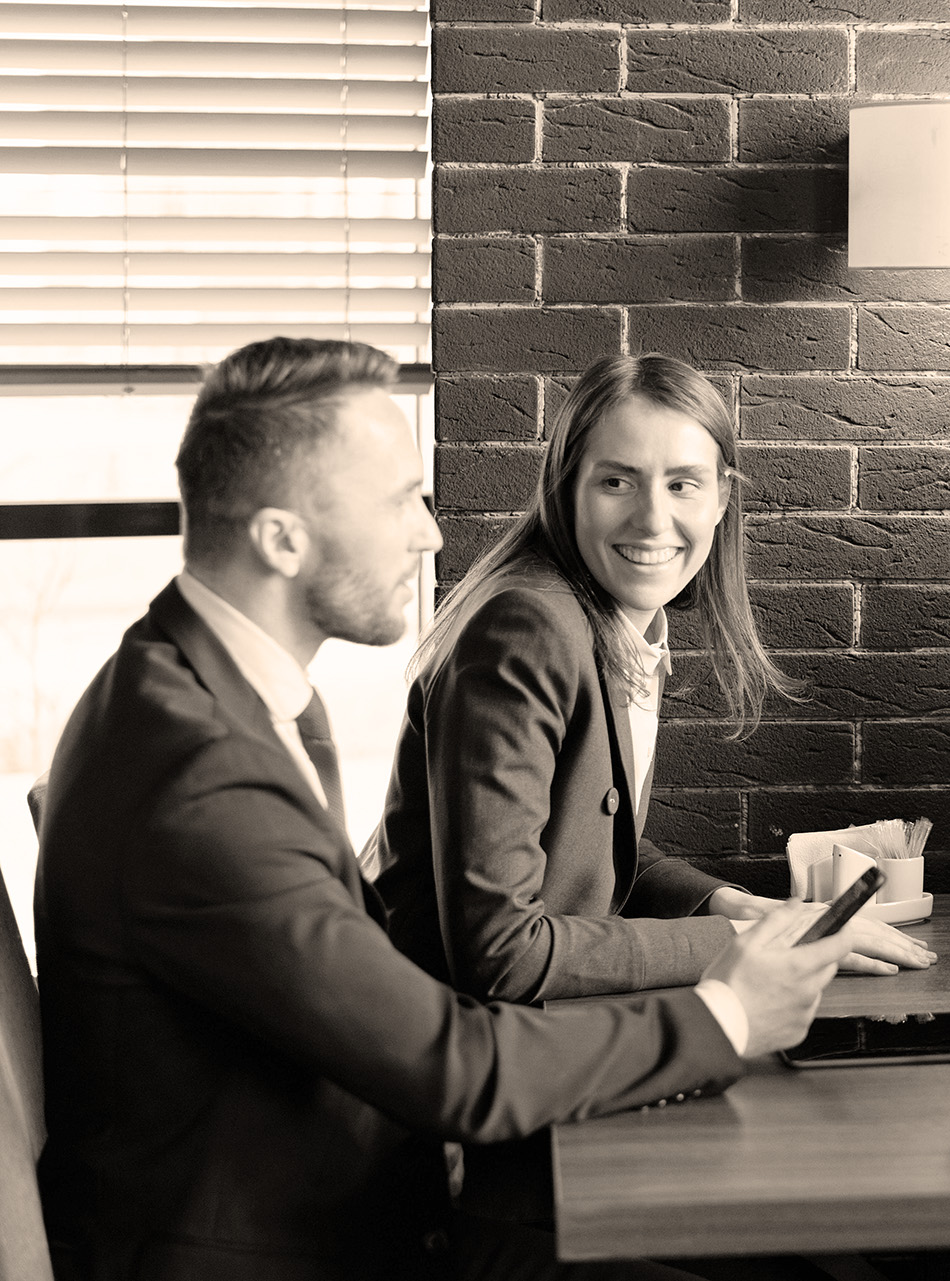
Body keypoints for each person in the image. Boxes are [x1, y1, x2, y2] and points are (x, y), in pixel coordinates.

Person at [33, 337, 856, 1281]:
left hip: (357, 1186)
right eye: (397, 501)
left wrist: (726, 926)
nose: (429, 534)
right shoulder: (201, 773)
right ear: (281, 538)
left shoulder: (188, 689)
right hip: (309, 1243)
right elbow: (455, 1067)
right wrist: (727, 1014)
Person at [364, 351, 931, 1229]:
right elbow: (502, 952)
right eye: (617, 481)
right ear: (565, 486)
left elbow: (599, 844)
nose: (652, 517)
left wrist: (730, 901)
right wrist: (737, 947)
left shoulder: (616, 617)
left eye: (682, 483)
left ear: (722, 496)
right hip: (461, 1131)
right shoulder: (531, 627)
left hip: (537, 1064)